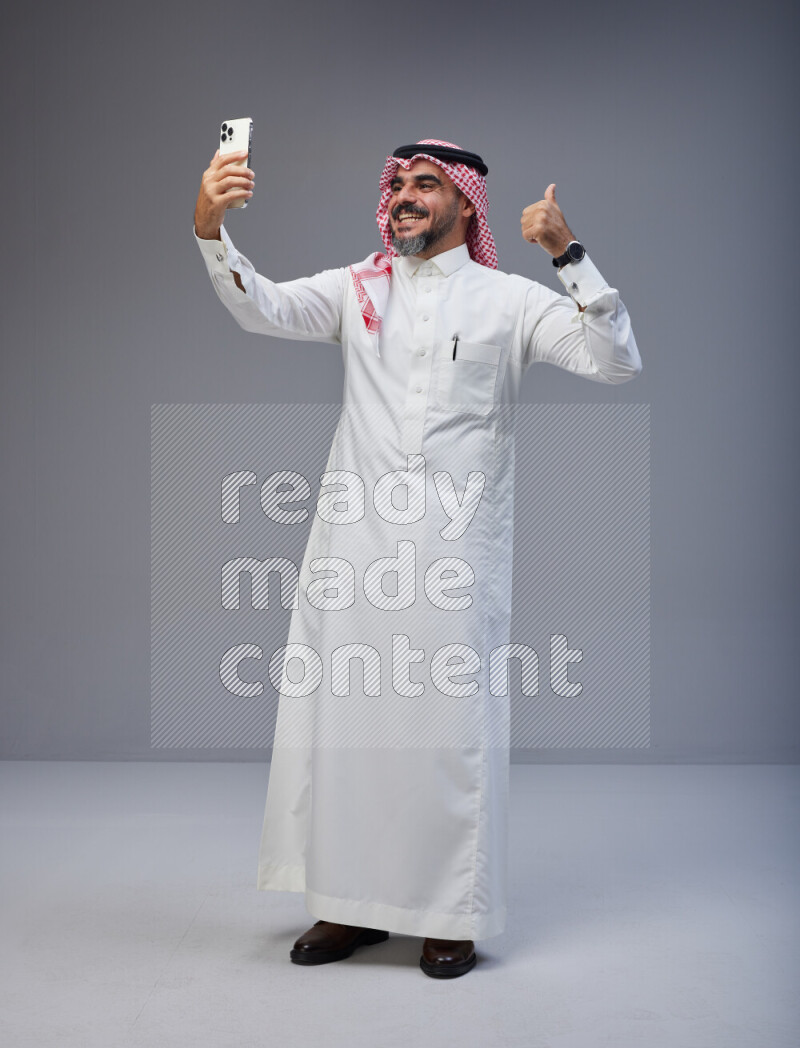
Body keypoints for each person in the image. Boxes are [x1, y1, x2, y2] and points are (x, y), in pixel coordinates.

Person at [194, 137, 642, 979]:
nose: (403, 195)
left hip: (453, 554)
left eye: (425, 184)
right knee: (347, 730)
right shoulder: (357, 288)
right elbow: (264, 306)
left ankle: (449, 914)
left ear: (466, 204)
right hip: (354, 550)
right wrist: (210, 229)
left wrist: (567, 254)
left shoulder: (509, 299)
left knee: (443, 736)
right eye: (396, 183)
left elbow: (616, 362)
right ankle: (345, 906)